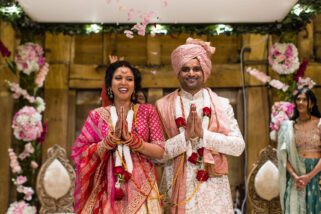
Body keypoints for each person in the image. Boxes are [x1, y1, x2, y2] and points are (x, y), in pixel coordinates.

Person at [155, 38, 245, 213]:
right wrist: (185, 137)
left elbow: (238, 147)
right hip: (176, 188)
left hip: (214, 190)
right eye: (185, 69)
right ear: (178, 73)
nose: (191, 73)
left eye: (196, 69)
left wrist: (204, 134)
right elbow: (155, 156)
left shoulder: (222, 105)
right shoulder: (162, 106)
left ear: (204, 71)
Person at [72, 60, 165, 213]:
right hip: (106, 189)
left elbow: (161, 150)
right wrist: (107, 143)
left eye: (129, 79)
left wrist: (134, 142)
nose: (124, 82)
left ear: (135, 85)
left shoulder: (148, 111)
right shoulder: (97, 116)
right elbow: (80, 152)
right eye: (118, 78)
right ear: (109, 85)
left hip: (143, 187)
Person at [277, 86, 321, 214]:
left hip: (316, 175)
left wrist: (309, 176)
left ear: (311, 103)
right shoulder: (289, 126)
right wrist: (296, 176)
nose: (301, 102)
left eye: (304, 100)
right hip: (296, 176)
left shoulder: (319, 124)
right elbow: (283, 156)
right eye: (298, 99)